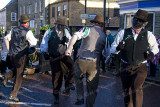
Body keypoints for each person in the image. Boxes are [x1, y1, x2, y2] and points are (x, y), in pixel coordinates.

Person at [110, 9, 159, 107]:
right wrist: (118, 48)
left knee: (136, 88)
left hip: (140, 67)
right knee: (126, 91)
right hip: (125, 66)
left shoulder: (148, 34)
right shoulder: (123, 33)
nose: (137, 21)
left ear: (144, 23)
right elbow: (112, 49)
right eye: (136, 19)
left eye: (140, 20)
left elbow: (155, 48)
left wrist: (151, 54)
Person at [65, 15, 106, 107]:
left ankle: (80, 97)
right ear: (102, 25)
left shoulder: (87, 29)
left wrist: (69, 49)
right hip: (94, 64)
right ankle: (89, 105)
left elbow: (75, 36)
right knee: (92, 88)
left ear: (94, 23)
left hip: (82, 61)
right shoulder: (104, 36)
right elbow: (107, 52)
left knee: (77, 77)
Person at [1, 14, 37, 102]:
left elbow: (6, 38)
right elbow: (34, 43)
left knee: (16, 70)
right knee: (19, 76)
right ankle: (13, 95)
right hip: (21, 56)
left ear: (20, 22)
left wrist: (9, 50)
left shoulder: (13, 29)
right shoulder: (27, 31)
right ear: (27, 22)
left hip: (12, 55)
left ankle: (5, 77)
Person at [40, 18, 75, 105]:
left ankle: (70, 83)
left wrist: (69, 47)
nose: (62, 27)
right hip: (54, 56)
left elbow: (71, 40)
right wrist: (44, 52)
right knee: (56, 77)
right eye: (60, 26)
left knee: (73, 66)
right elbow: (44, 42)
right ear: (56, 24)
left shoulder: (65, 31)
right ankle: (56, 96)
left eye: (63, 26)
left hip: (64, 55)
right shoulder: (49, 31)